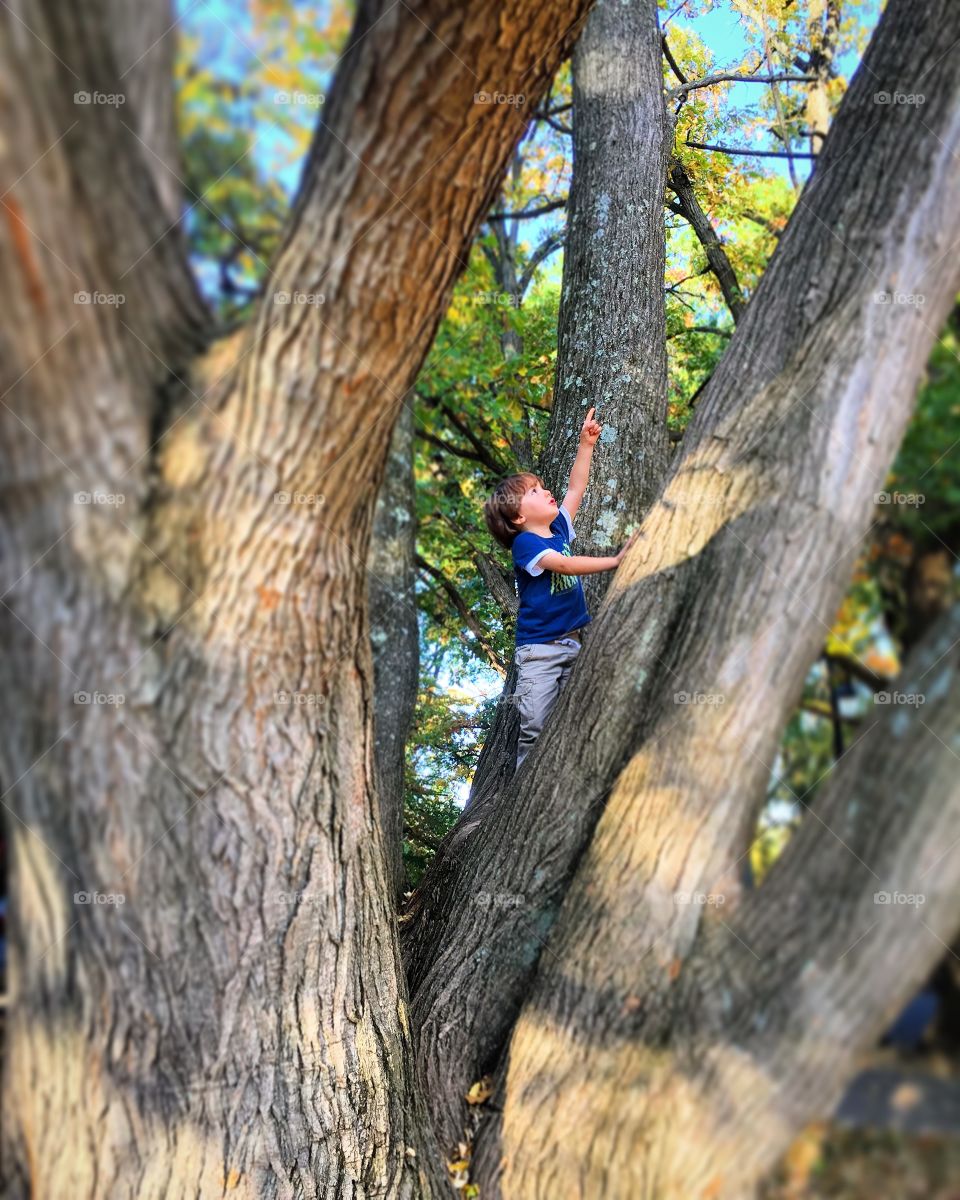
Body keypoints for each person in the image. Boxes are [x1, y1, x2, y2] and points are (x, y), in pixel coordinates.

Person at [483, 407, 638, 770]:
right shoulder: (526, 545)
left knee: (570, 719)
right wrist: (614, 562)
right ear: (519, 518)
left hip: (573, 641)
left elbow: (575, 488)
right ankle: (524, 791)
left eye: (541, 486)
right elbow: (565, 565)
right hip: (539, 652)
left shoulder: (558, 531)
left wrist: (586, 445)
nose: (546, 491)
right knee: (536, 725)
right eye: (535, 491)